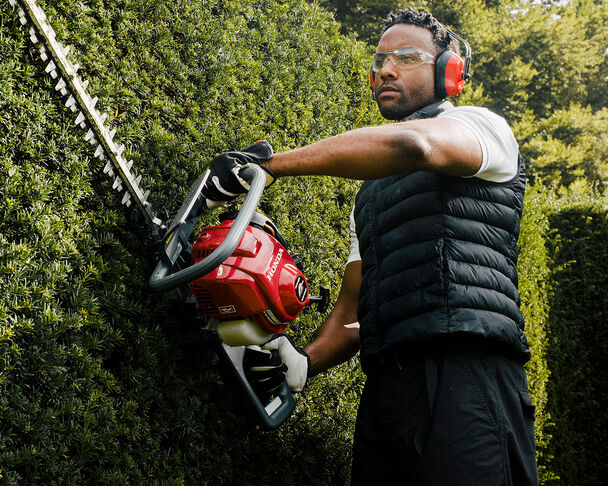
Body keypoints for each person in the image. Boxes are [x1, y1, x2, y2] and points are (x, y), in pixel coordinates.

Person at [201, 7, 538, 486]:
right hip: (385, 388)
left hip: (467, 371)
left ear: (449, 72)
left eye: (406, 56)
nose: (385, 68)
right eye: (379, 58)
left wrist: (271, 165)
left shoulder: (483, 129)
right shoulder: (372, 195)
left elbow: (415, 145)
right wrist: (305, 361)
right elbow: (352, 311)